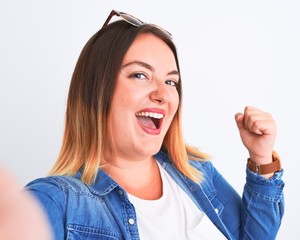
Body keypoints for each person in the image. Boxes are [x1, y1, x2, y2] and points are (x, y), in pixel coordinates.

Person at [25, 10, 285, 240]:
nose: (163, 94)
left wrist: (261, 159)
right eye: (140, 75)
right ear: (97, 90)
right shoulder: (57, 201)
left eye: (171, 82)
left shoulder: (197, 172)